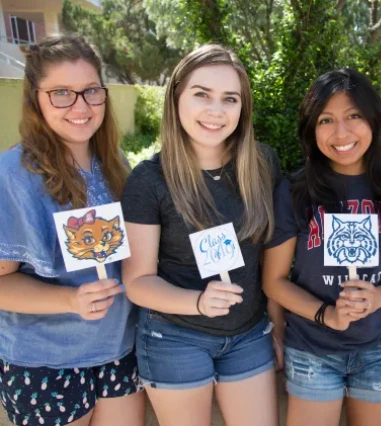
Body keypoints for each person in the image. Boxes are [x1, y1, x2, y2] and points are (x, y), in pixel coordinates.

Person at [262, 68, 381, 426]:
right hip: (312, 348)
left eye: (353, 116)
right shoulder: (296, 191)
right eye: (326, 120)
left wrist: (379, 296)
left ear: (374, 120)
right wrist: (325, 314)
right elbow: (274, 281)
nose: (340, 133)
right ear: (311, 130)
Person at [121, 44, 280, 426]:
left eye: (230, 99)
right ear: (176, 97)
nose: (216, 111)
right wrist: (198, 301)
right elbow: (138, 283)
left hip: (248, 334)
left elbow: (272, 260)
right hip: (174, 335)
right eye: (201, 95)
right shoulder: (149, 180)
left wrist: (279, 327)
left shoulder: (262, 164)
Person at [0, 34, 144, 426]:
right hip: (45, 361)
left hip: (118, 351)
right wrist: (70, 301)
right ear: (35, 99)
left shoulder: (114, 163)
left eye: (91, 91)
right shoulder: (12, 175)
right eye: (61, 93)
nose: (80, 106)